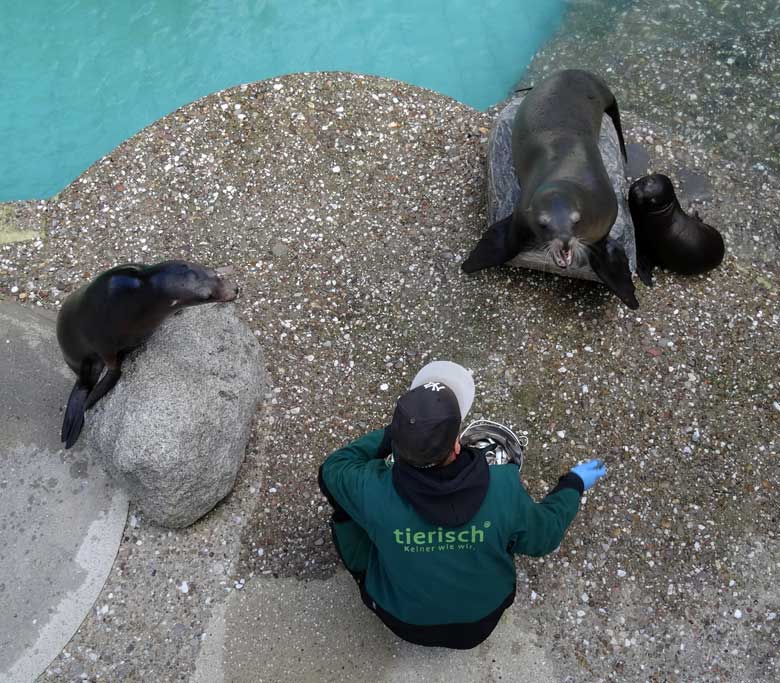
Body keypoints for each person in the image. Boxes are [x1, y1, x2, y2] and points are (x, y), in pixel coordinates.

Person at [318, 361, 607, 649]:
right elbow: (545, 537)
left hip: (402, 620)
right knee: (509, 526)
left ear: (398, 443)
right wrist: (572, 485)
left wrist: (400, 432)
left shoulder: (371, 488)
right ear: (457, 445)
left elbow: (332, 468)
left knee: (345, 509)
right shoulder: (504, 485)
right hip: (481, 621)